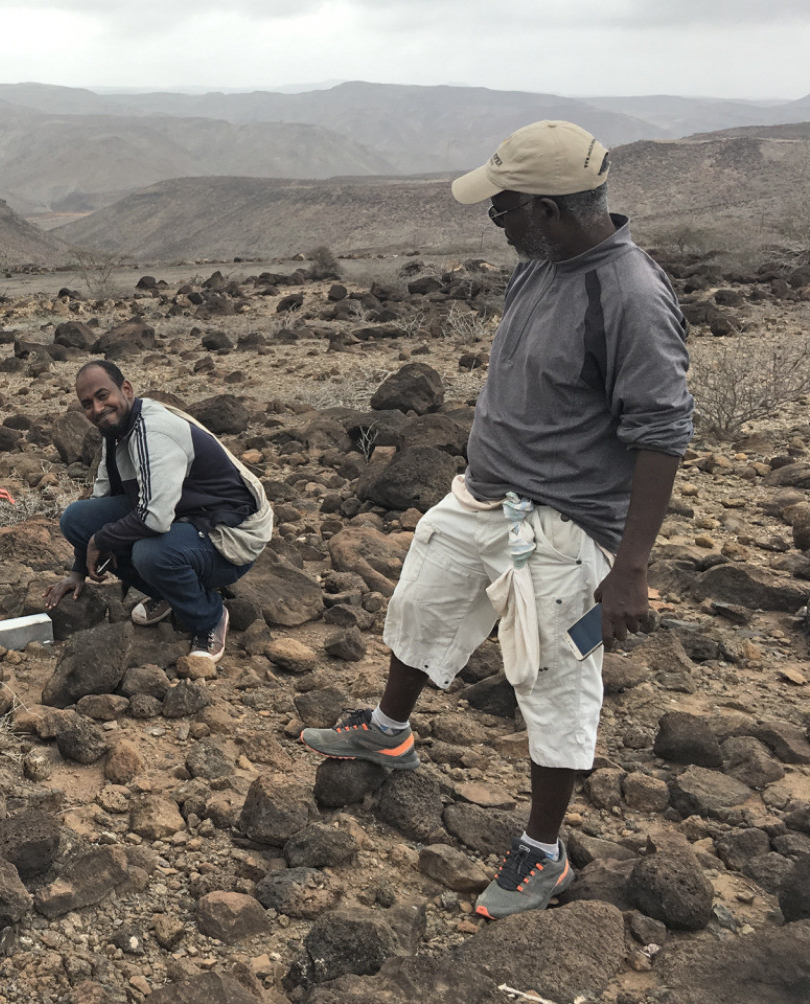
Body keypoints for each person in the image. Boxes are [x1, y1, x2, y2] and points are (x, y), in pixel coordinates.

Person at [301, 120, 694, 920]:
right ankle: (388, 730)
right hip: (482, 494)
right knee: (419, 605)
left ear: (546, 209)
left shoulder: (628, 296)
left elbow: (661, 432)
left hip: (564, 526)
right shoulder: (540, 265)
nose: (495, 222)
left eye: (502, 208)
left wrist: (629, 570)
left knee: (552, 681)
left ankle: (543, 852)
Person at [44, 360, 273, 662]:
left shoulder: (153, 431)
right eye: (87, 404)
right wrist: (78, 571)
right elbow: (100, 500)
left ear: (126, 390)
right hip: (185, 516)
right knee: (76, 519)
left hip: (230, 533)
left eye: (103, 396)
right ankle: (169, 593)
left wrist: (100, 541)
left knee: (151, 554)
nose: (97, 409)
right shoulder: (116, 432)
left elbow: (155, 518)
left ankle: (209, 616)